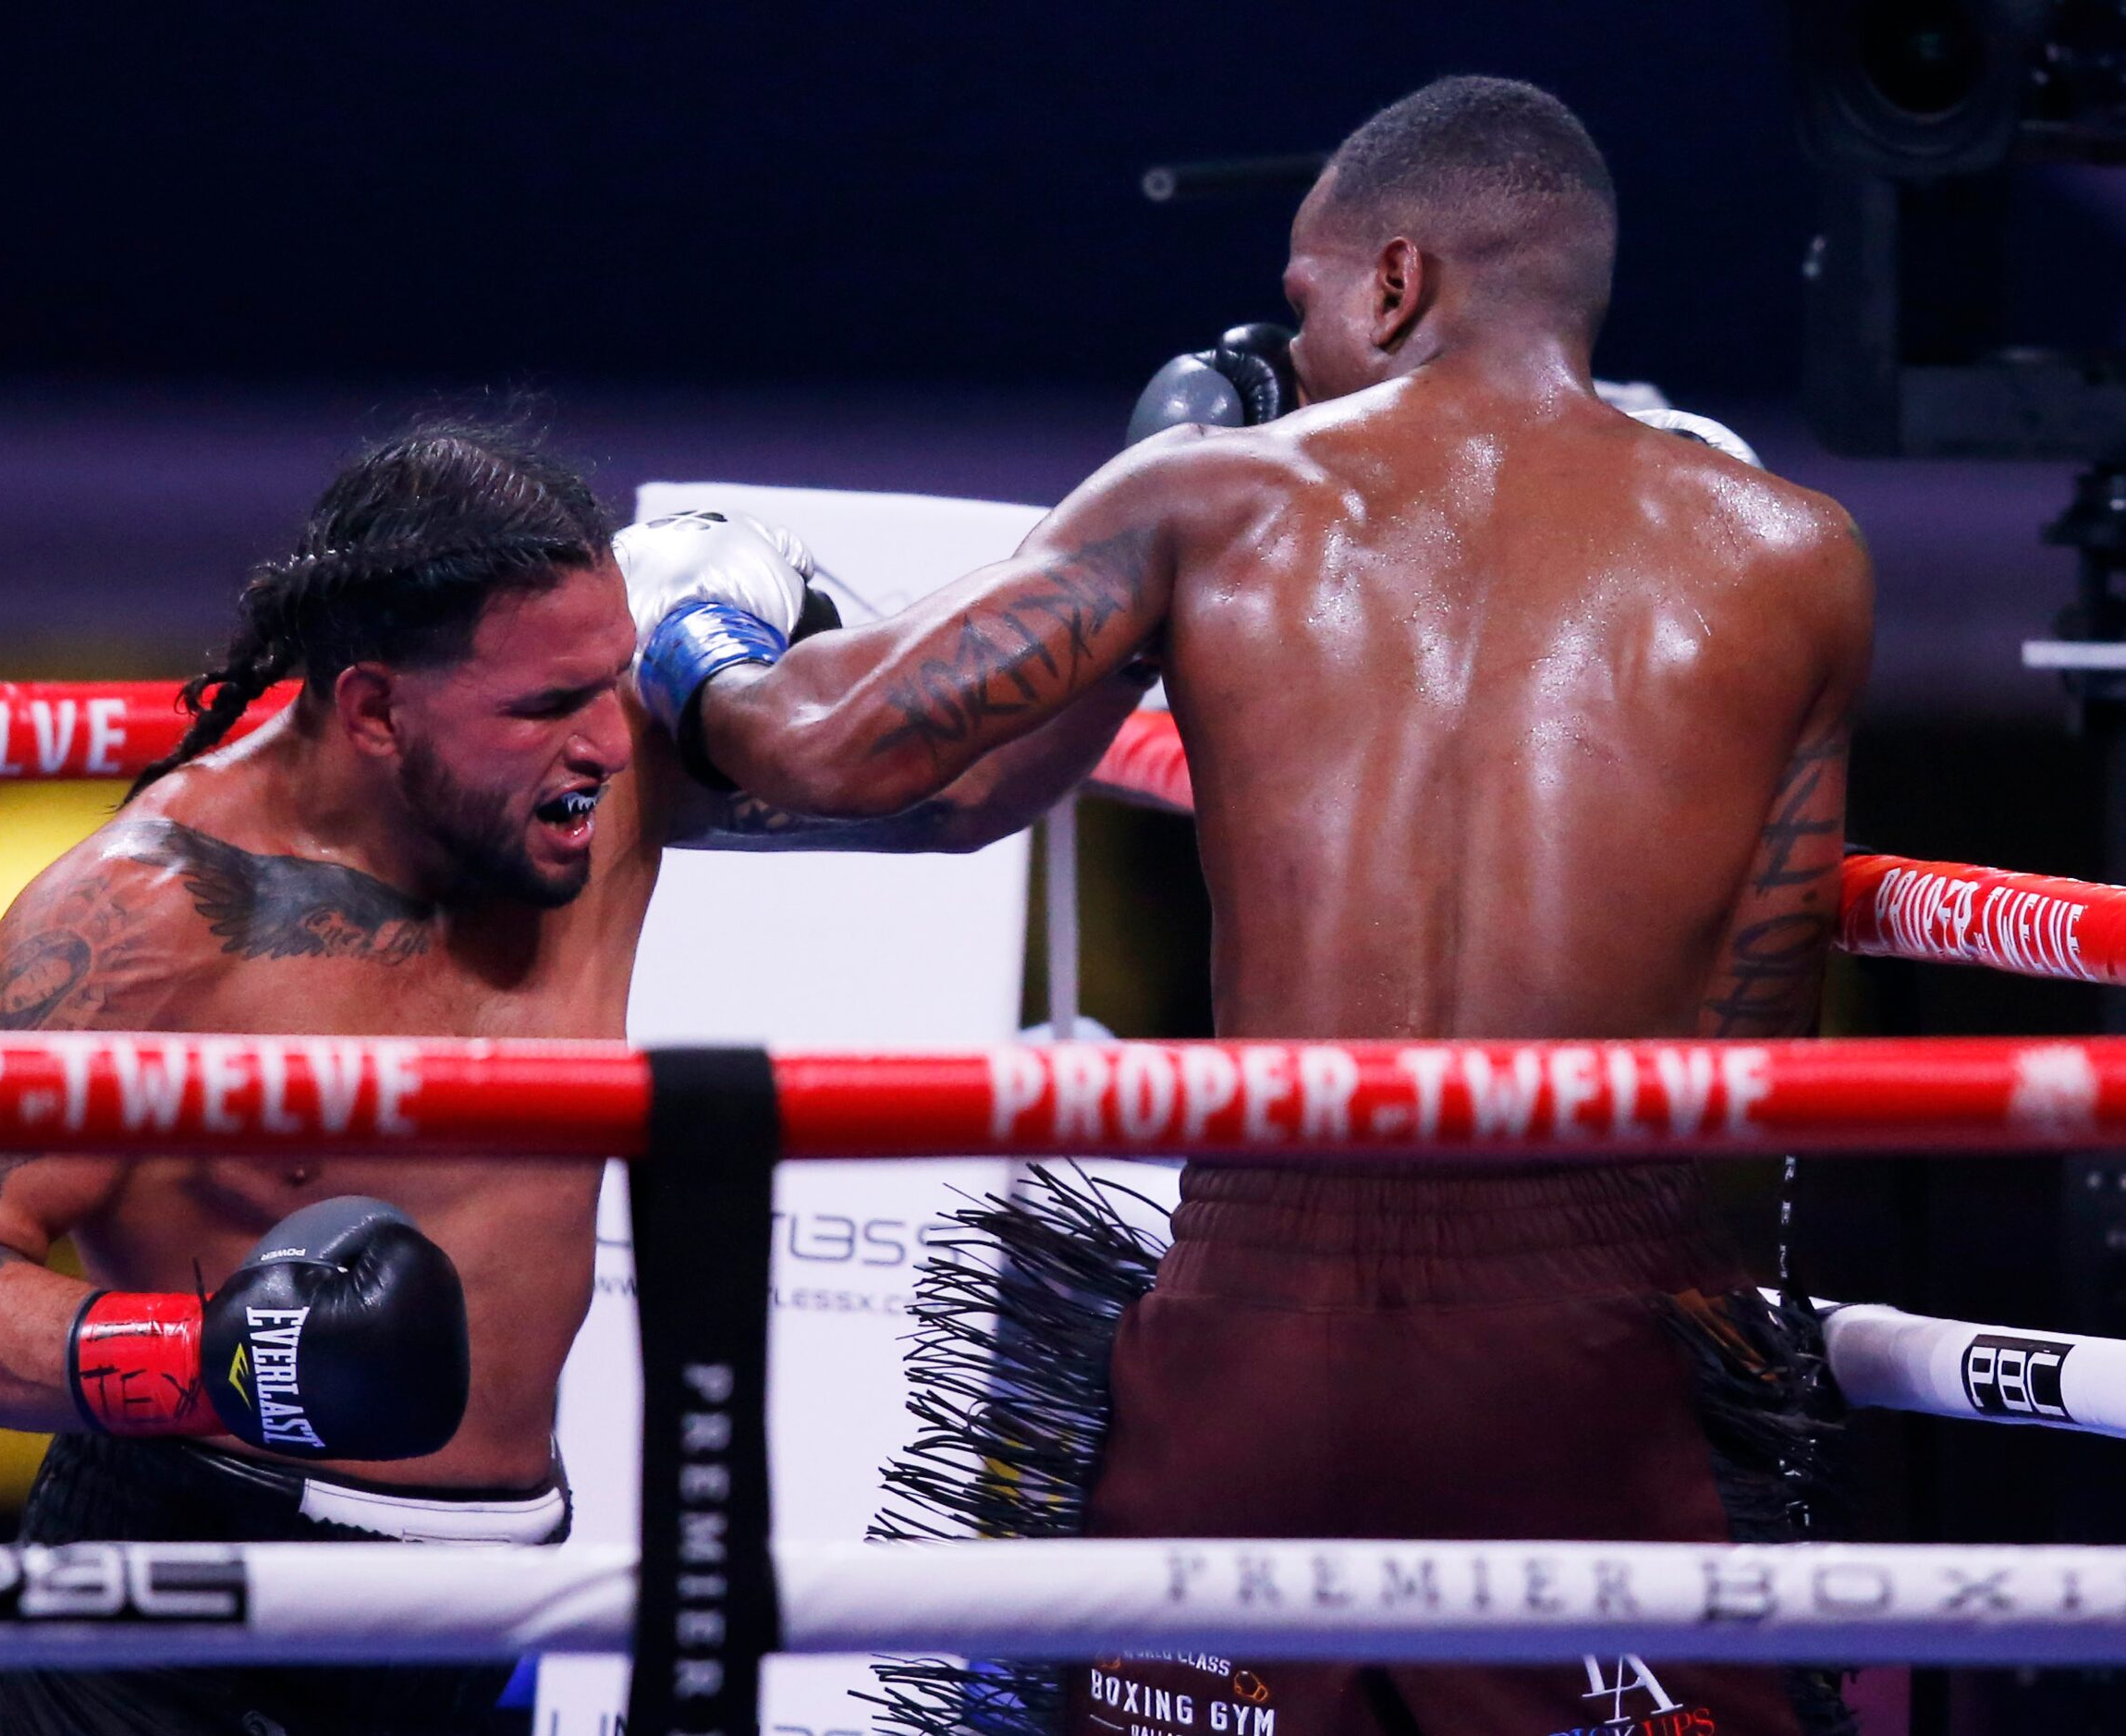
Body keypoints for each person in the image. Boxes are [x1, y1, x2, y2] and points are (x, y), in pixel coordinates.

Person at [632, 77, 1875, 1736]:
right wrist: (1682, 1346)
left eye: (1301, 303)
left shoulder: (1208, 499)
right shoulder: (1792, 552)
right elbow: (1761, 1015)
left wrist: (693, 627)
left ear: (1392, 282)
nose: (1282, 357)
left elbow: (824, 749)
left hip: (1262, 1306)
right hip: (1589, 1324)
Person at [0, 418, 1150, 1736]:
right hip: (192, 1592)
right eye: (543, 705)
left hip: (485, 1600)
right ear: (372, 709)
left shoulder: (608, 784)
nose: (604, 737)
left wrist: (1136, 588)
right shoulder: (150, 915)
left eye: (610, 677)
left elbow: (961, 793)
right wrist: (218, 1358)